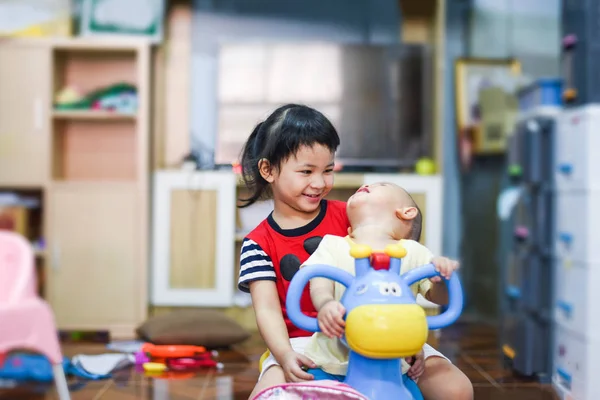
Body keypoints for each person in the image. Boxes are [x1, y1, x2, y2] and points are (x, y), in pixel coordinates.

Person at [303, 182, 474, 400]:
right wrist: (326, 303)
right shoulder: (332, 244)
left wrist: (441, 279)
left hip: (392, 367)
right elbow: (318, 281)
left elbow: (437, 297)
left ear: (407, 212)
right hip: (330, 364)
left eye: (380, 185)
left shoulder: (413, 252)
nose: (366, 185)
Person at [236, 104, 351, 398]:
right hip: (300, 345)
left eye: (327, 170)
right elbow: (267, 310)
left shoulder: (351, 217)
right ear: (268, 170)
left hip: (363, 335)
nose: (319, 183)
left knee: (455, 387)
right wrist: (285, 355)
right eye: (306, 171)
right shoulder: (258, 243)